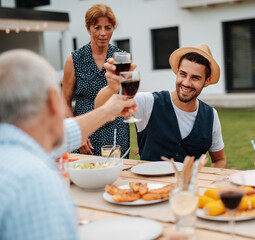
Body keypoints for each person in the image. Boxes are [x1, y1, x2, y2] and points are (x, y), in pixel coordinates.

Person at [0, 49, 137, 240]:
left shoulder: (13, 148)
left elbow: (69, 131)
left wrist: (108, 110)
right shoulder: (33, 182)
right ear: (51, 101)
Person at [95, 43, 227, 168]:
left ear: (207, 81)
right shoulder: (149, 102)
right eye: (183, 74)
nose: (186, 83)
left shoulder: (211, 115)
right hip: (148, 188)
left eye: (195, 78)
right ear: (177, 73)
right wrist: (112, 87)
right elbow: (100, 108)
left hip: (186, 190)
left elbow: (219, 160)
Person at [62, 3, 130, 156]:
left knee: (116, 177)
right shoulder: (74, 60)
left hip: (115, 132)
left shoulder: (121, 58)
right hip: (84, 133)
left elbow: (127, 96)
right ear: (88, 28)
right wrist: (77, 135)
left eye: (108, 27)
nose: (103, 33)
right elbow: (64, 102)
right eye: (97, 27)